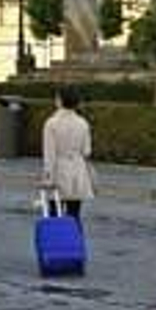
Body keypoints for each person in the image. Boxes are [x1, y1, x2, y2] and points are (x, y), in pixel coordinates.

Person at [40, 86, 94, 220]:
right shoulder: (83, 123)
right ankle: (75, 241)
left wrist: (48, 178)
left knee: (54, 214)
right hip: (78, 172)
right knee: (74, 215)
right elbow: (87, 151)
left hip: (58, 171)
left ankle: (56, 241)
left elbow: (49, 154)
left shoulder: (51, 123)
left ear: (60, 101)